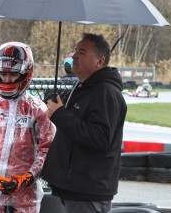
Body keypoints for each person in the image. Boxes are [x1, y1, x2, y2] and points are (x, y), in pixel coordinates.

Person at [41, 33, 127, 213]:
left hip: (88, 190)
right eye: (75, 51)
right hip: (77, 187)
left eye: (81, 52)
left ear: (99, 61)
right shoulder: (86, 87)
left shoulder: (105, 91)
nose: (74, 56)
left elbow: (99, 138)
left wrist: (60, 115)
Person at [0, 42, 56, 213]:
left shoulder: (38, 110)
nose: (7, 79)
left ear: (25, 73)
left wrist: (28, 177)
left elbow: (46, 149)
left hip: (25, 198)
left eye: (13, 74)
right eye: (2, 73)